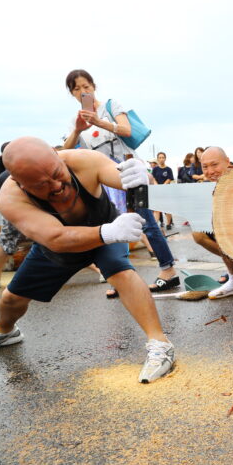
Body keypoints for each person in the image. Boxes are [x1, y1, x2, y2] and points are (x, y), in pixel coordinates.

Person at [0, 137, 174, 383]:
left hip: (108, 227)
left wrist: (139, 176)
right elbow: (56, 237)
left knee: (120, 272)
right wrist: (108, 232)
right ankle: (5, 332)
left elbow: (126, 181)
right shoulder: (10, 197)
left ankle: (160, 343)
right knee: (10, 299)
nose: (56, 185)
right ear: (19, 182)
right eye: (42, 184)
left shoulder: (83, 161)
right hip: (60, 246)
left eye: (56, 172)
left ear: (56, 154)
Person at [61, 69, 180, 297]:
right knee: (114, 228)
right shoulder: (75, 122)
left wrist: (99, 122)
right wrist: (78, 129)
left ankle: (168, 271)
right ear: (72, 94)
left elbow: (126, 130)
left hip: (130, 173)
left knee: (146, 222)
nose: (82, 92)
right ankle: (122, 278)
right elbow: (66, 152)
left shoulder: (110, 105)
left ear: (94, 86)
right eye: (76, 89)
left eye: (86, 86)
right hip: (103, 181)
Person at [191, 147, 233, 299]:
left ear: (228, 163)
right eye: (205, 167)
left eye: (214, 165)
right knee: (198, 234)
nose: (210, 171)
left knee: (222, 231)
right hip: (231, 229)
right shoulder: (208, 185)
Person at [152, 151, 175, 230]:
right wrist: (156, 185)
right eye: (160, 158)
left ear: (165, 159)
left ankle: (169, 223)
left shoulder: (168, 169)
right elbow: (153, 178)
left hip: (166, 191)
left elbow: (169, 179)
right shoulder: (155, 169)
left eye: (163, 157)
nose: (161, 159)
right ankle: (156, 224)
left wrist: (163, 186)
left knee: (167, 208)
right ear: (157, 159)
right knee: (157, 208)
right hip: (157, 191)